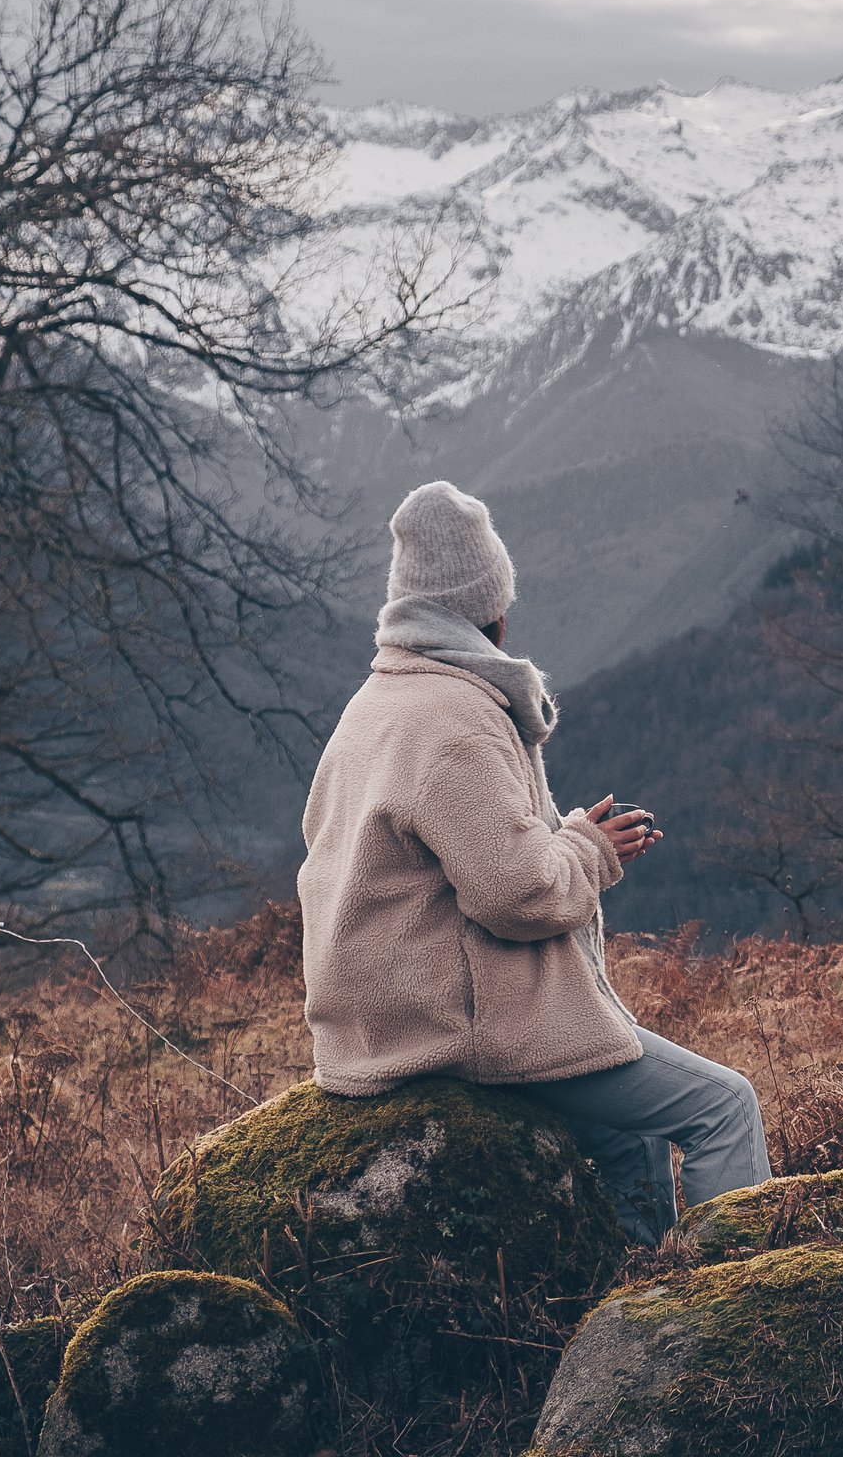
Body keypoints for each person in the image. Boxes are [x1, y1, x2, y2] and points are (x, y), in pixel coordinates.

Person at [297, 481, 773, 1243]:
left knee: (629, 1134)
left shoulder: (376, 704)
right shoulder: (454, 719)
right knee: (725, 1106)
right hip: (453, 1028)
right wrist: (589, 848)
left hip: (378, 1022)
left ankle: (632, 1303)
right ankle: (730, 1319)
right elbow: (517, 897)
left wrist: (569, 836)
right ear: (491, 607)